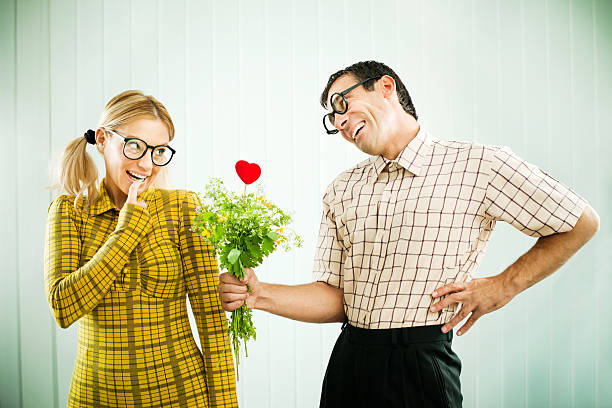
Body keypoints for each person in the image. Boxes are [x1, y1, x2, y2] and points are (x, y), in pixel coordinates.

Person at [218, 61, 600, 408]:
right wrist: (258, 294)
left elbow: (580, 222)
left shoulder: (478, 164)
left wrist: (504, 285)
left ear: (386, 87)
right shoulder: (341, 190)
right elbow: (337, 300)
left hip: (420, 366)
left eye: (342, 103)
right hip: (350, 361)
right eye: (331, 118)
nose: (339, 121)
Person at [45, 90, 237, 407]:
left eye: (159, 151)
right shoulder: (68, 211)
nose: (147, 164)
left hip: (184, 396)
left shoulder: (183, 208)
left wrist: (226, 404)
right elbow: (63, 308)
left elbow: (212, 324)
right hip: (95, 397)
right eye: (135, 146)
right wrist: (127, 228)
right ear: (104, 140)